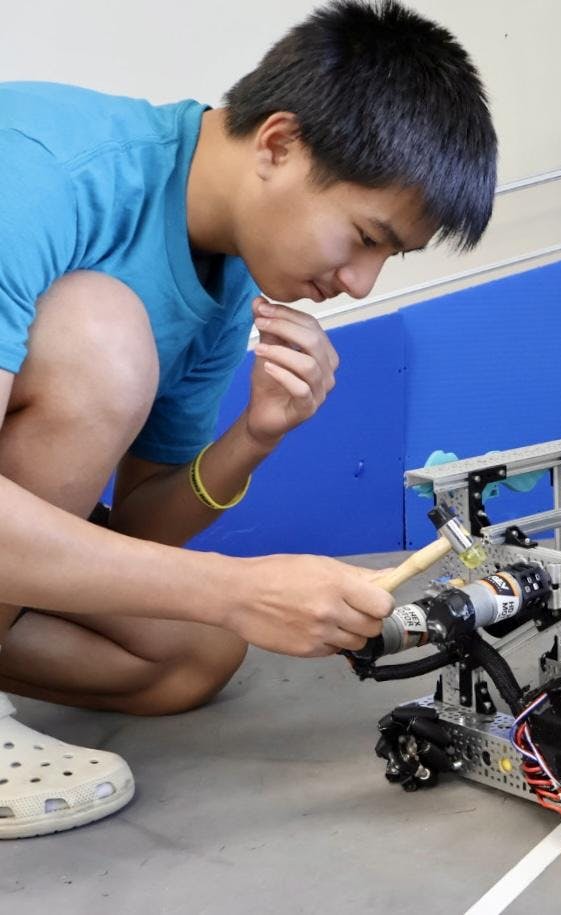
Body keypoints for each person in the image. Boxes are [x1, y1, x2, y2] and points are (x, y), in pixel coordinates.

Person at [0, 0, 497, 839]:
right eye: (364, 236)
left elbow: (142, 533)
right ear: (277, 144)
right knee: (102, 337)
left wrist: (255, 435)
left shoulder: (227, 276)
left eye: (389, 256)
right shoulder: (44, 173)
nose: (363, 282)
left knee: (190, 656)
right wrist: (240, 589)